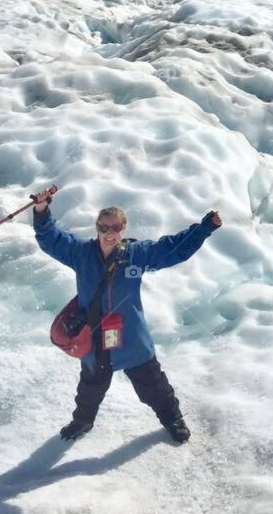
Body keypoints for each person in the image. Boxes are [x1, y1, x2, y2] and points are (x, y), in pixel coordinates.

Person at [32, 189, 222, 443]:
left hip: (131, 337)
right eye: (103, 227)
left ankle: (173, 419)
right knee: (90, 388)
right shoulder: (81, 253)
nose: (110, 233)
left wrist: (204, 229)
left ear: (124, 228)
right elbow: (51, 239)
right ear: (96, 228)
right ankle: (82, 422)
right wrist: (42, 210)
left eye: (116, 227)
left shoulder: (137, 255)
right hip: (96, 338)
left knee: (154, 386)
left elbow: (173, 249)